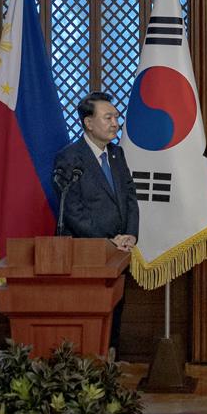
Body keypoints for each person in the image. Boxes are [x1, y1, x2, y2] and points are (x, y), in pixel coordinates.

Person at [53, 92, 138, 358]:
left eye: (116, 116)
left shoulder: (117, 154)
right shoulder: (70, 158)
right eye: (108, 117)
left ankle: (111, 357)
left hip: (119, 251)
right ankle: (88, 361)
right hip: (87, 252)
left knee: (116, 307)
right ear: (89, 123)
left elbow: (130, 197)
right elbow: (72, 211)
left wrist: (131, 235)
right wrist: (106, 239)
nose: (115, 123)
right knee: (89, 310)